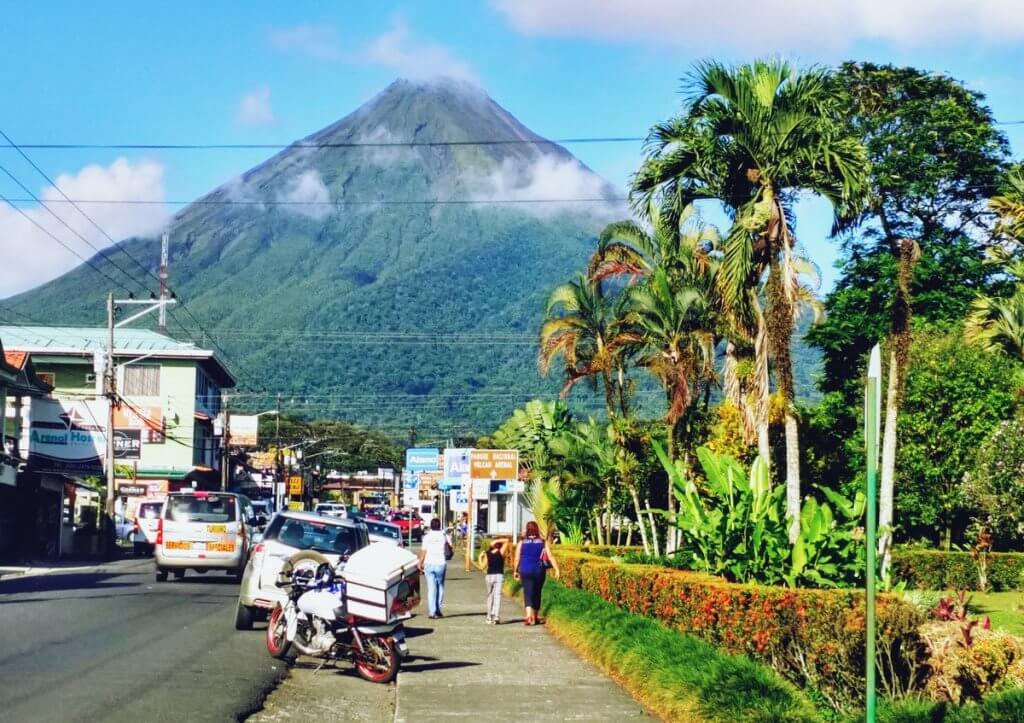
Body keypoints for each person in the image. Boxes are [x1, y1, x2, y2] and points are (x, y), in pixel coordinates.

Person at [513, 521, 560, 626]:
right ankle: (535, 616)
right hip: (539, 570)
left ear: (527, 530)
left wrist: (515, 571)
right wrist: (557, 569)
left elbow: (517, 559)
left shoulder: (522, 543)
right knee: (537, 591)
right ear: (536, 529)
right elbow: (551, 556)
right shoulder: (543, 542)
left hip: (525, 569)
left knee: (527, 591)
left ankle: (529, 616)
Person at [418, 518, 452, 619]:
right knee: (440, 586)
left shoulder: (427, 537)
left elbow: (423, 551)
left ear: (431, 526)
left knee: (431, 588)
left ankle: (432, 612)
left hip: (429, 563)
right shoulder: (444, 536)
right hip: (441, 563)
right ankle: (438, 609)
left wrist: (420, 562)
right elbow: (450, 547)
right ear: (439, 525)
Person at [477, 537, 510, 624]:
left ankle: (488, 617)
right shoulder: (501, 552)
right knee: (497, 596)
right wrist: (497, 540)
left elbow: (481, 567)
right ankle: (496, 617)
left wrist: (480, 557)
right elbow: (506, 540)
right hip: (499, 576)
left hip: (489, 576)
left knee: (489, 596)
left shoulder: (488, 553)